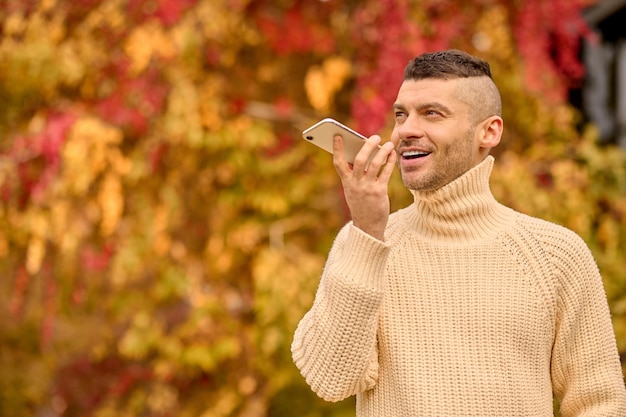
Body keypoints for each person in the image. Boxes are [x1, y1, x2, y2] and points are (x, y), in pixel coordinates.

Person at [291, 49, 626, 416]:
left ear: (489, 131)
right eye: (401, 115)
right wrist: (368, 232)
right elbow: (332, 381)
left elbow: (600, 403)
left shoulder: (555, 254)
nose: (406, 130)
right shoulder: (364, 243)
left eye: (431, 113)